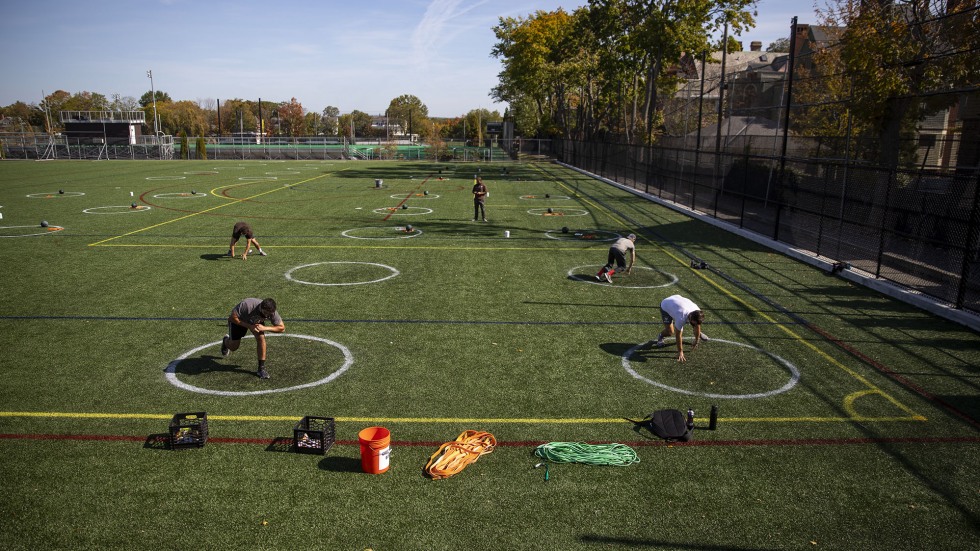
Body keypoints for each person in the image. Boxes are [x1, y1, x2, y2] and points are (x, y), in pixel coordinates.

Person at [221, 298, 285, 379]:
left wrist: (264, 328)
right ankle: (226, 341)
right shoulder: (247, 305)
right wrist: (250, 326)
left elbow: (282, 328)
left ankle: (261, 369)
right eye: (265, 313)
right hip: (240, 321)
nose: (267, 316)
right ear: (261, 307)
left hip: (255, 322)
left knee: (261, 338)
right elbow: (232, 318)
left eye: (269, 314)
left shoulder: (271, 312)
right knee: (234, 347)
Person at [656, 294, 709, 362]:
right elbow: (678, 335)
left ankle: (698, 334)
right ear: (690, 318)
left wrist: (696, 341)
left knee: (696, 324)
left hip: (677, 301)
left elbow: (698, 325)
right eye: (694, 323)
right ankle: (660, 336)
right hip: (666, 305)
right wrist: (680, 351)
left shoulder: (697, 311)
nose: (697, 325)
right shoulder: (681, 317)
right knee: (670, 332)